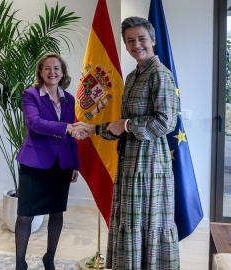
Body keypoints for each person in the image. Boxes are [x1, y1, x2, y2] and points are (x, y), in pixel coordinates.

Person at [75, 16, 180, 269]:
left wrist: (128, 125)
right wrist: (92, 128)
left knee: (146, 223)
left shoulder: (160, 74)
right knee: (130, 220)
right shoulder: (133, 76)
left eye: (142, 39)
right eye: (130, 40)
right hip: (129, 160)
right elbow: (121, 125)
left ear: (153, 40)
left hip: (150, 164)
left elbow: (166, 123)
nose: (137, 45)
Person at [14, 53, 86, 270]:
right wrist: (66, 127)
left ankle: (49, 259)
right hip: (34, 163)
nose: (52, 72)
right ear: (40, 72)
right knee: (25, 215)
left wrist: (75, 163)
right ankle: (20, 263)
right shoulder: (30, 95)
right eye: (47, 68)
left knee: (56, 212)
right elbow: (35, 123)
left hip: (61, 164)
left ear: (62, 72)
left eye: (56, 68)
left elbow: (72, 136)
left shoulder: (70, 99)